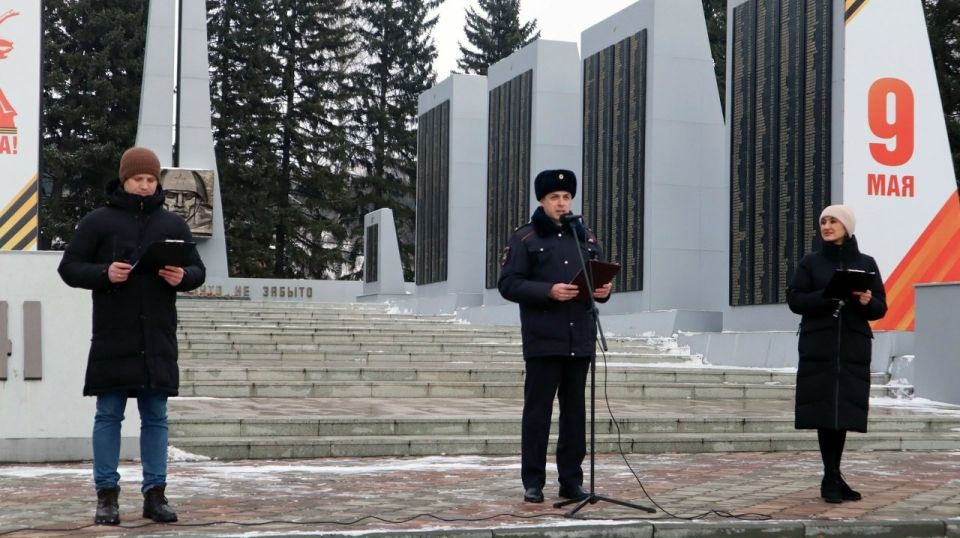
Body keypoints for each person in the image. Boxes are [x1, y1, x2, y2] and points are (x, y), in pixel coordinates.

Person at [58, 146, 206, 525]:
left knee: (156, 416)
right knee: (108, 414)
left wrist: (182, 277)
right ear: (124, 180)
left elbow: (197, 270)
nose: (144, 185)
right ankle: (106, 496)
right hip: (113, 335)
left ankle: (155, 495)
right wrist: (104, 274)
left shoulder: (173, 225)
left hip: (156, 336)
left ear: (157, 182)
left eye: (150, 179)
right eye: (137, 178)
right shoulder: (97, 221)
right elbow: (69, 267)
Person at [498, 169, 612, 503]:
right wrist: (548, 290)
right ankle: (533, 482)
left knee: (575, 414)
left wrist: (603, 290)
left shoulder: (586, 239)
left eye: (566, 197)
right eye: (554, 198)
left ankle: (571, 481)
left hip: (580, 340)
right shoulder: (526, 238)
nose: (561, 203)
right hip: (543, 341)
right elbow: (508, 283)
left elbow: (594, 282)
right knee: (538, 414)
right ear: (542, 201)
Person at [787, 204, 887, 503]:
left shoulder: (866, 263)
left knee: (841, 413)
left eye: (833, 221)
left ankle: (834, 474)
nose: (827, 226)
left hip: (852, 348)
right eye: (823, 221)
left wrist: (867, 300)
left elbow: (881, 308)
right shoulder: (811, 262)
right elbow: (795, 300)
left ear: (847, 226)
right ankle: (831, 477)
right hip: (820, 347)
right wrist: (829, 295)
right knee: (824, 411)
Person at [160, 168, 214, 236]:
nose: (179, 204)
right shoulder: (150, 219)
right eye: (170, 195)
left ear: (199, 200)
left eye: (188, 196)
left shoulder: (206, 221)